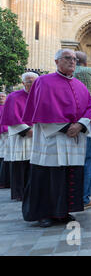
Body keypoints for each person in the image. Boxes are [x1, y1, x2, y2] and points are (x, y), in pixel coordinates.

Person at [21, 49, 91, 228]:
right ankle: (43, 214)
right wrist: (66, 127)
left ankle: (62, 212)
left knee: (67, 175)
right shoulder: (43, 82)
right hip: (51, 138)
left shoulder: (80, 85)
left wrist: (81, 125)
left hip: (73, 137)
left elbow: (89, 108)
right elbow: (41, 109)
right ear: (56, 61)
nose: (72, 62)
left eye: (75, 59)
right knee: (48, 176)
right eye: (67, 58)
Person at [0, 72, 38, 201]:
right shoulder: (13, 96)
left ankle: (32, 190)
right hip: (20, 136)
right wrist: (27, 130)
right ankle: (19, 193)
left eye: (34, 81)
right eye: (28, 81)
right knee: (19, 166)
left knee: (34, 165)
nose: (31, 84)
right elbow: (11, 117)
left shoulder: (40, 96)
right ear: (23, 83)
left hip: (37, 135)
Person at [74, 50, 91, 210]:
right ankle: (84, 198)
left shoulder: (68, 73)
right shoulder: (90, 72)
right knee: (87, 158)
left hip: (69, 119)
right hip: (88, 118)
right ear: (86, 62)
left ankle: (69, 195)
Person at [0, 92, 9, 189]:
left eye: (3, 96)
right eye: (0, 97)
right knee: (2, 155)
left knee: (5, 155)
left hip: (8, 133)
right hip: (2, 135)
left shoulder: (7, 106)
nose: (1, 98)